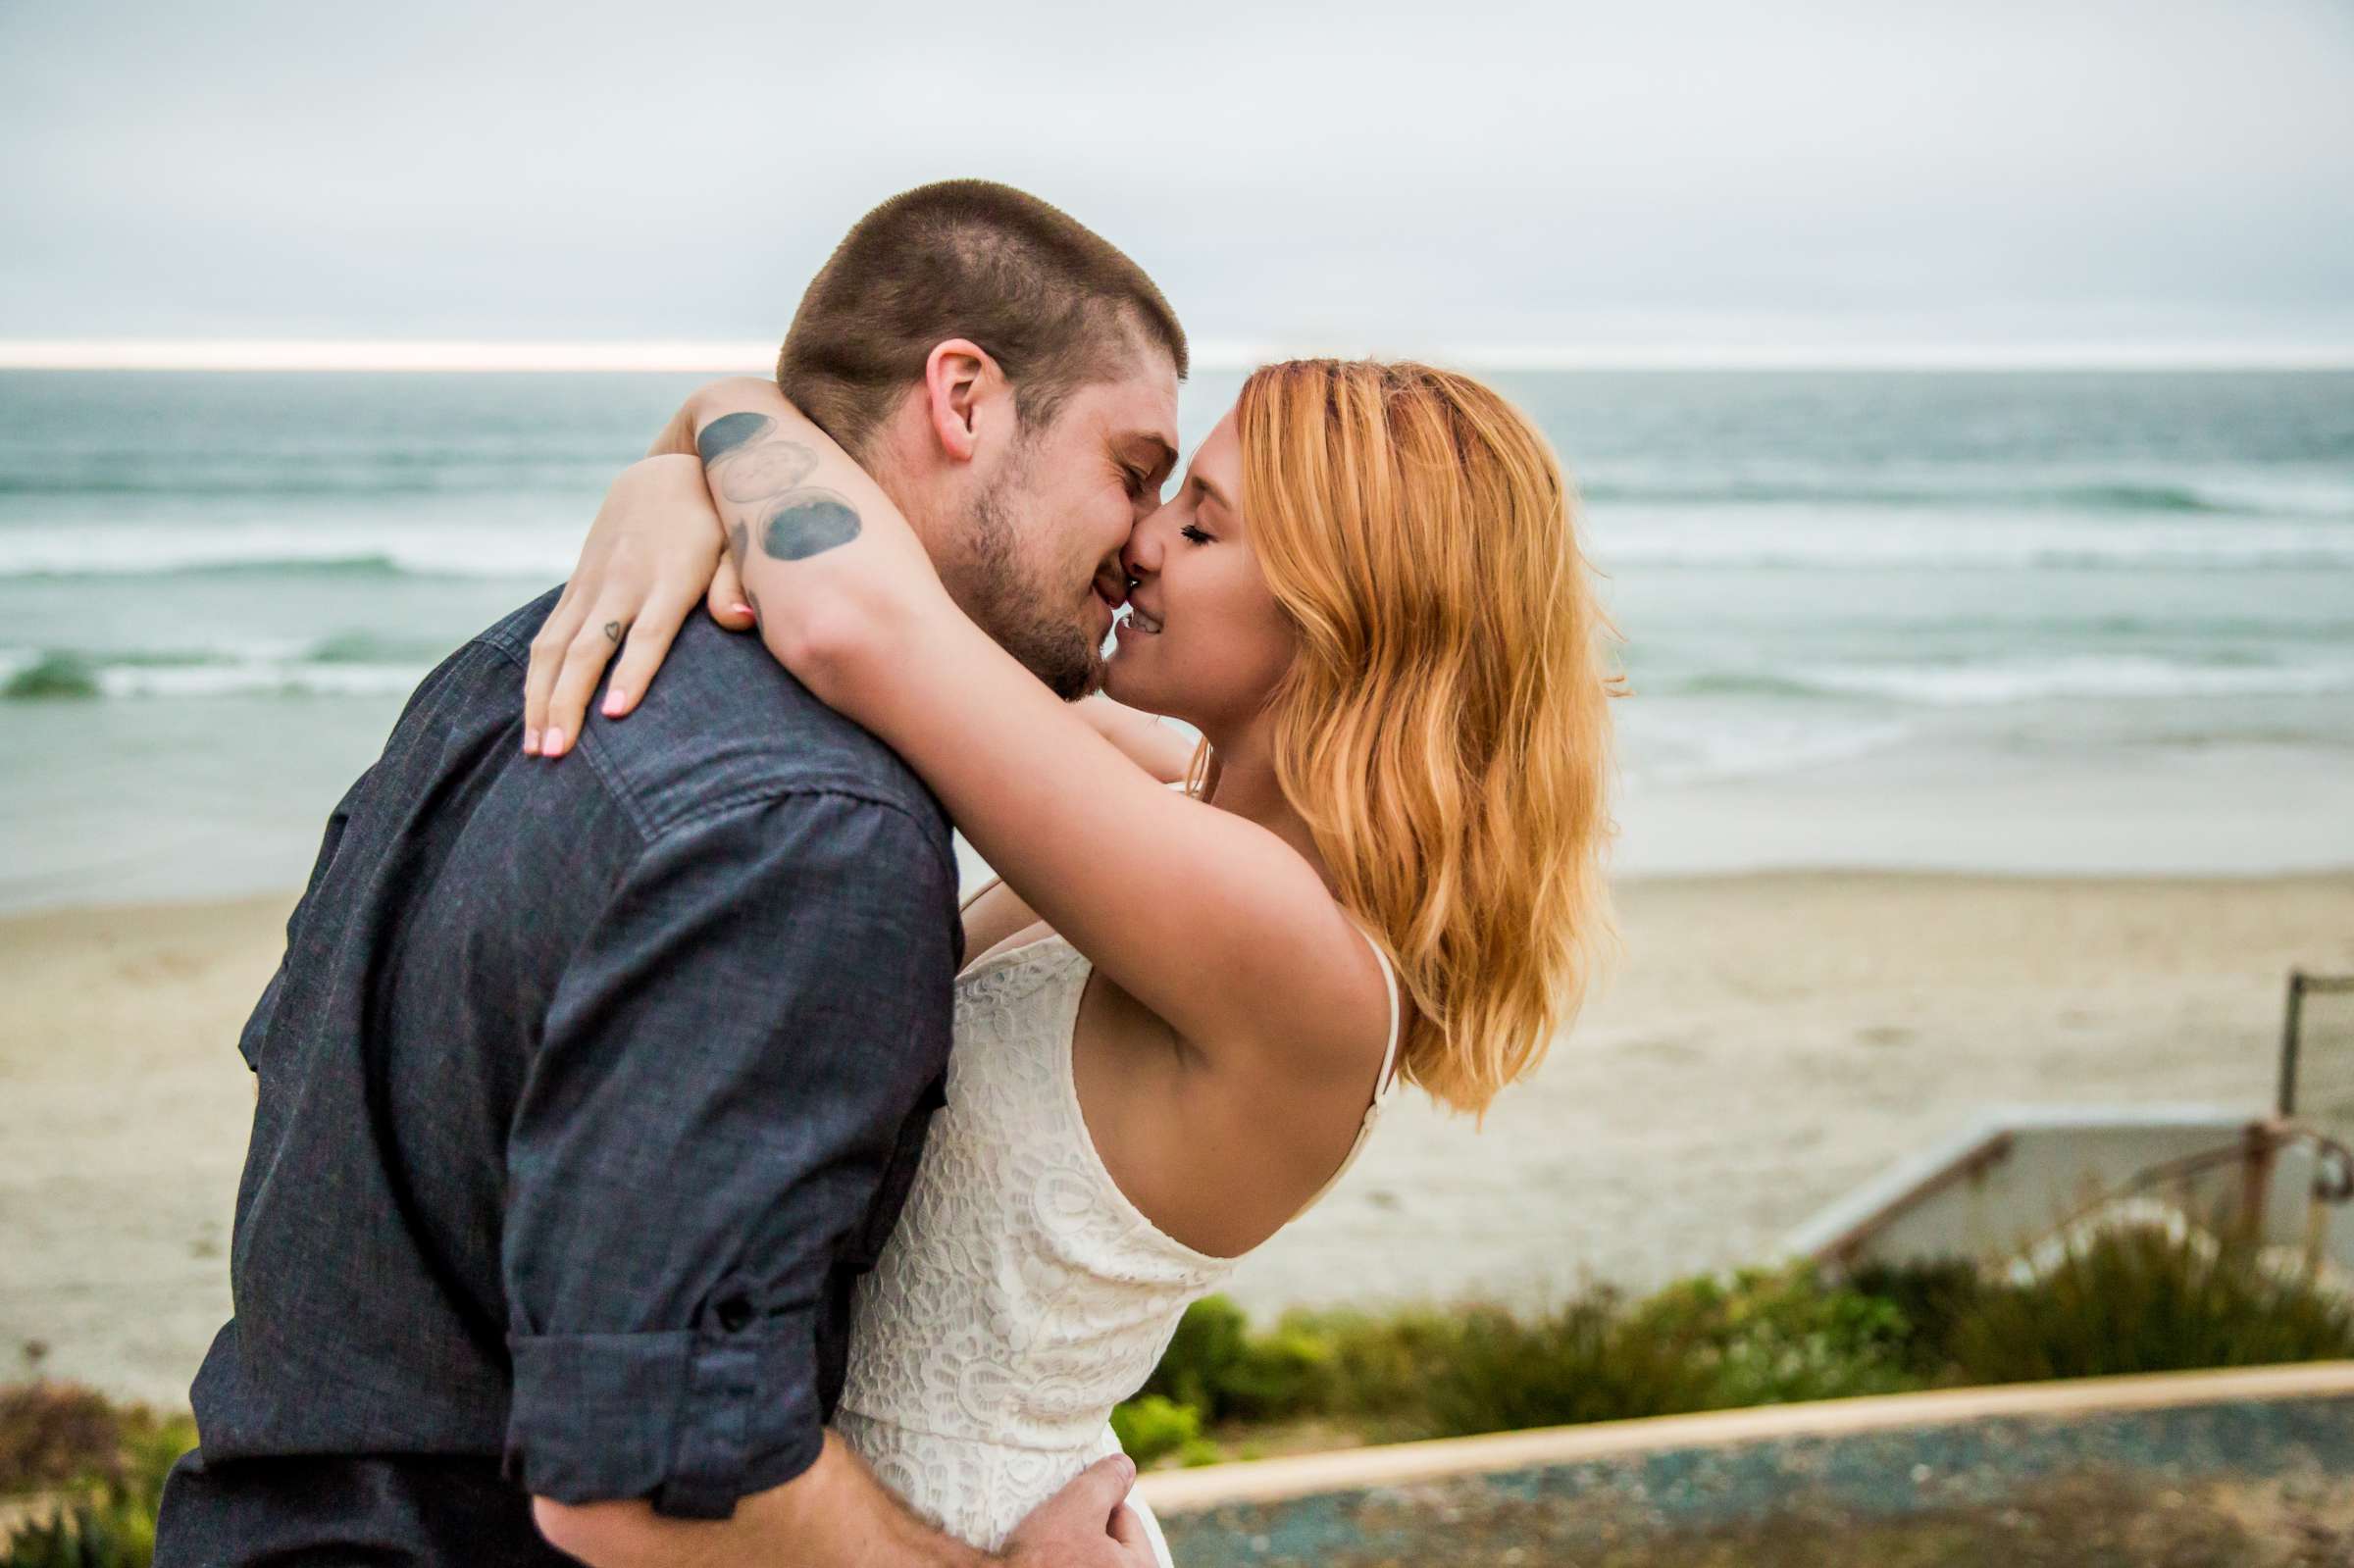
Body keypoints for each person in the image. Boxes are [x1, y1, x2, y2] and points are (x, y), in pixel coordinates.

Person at [154, 179, 1187, 1568]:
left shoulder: (510, 663)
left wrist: (703, 429)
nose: (1142, 544)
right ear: (964, 396)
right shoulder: (816, 822)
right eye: (1132, 468)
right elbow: (656, 1479)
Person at [523, 354, 1624, 1562]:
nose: (1140, 542)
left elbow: (854, 619)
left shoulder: (1293, 953)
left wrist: (711, 424)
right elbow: (889, 593)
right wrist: (673, 482)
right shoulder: (1174, 803)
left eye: (1199, 527)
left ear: (1342, 621)